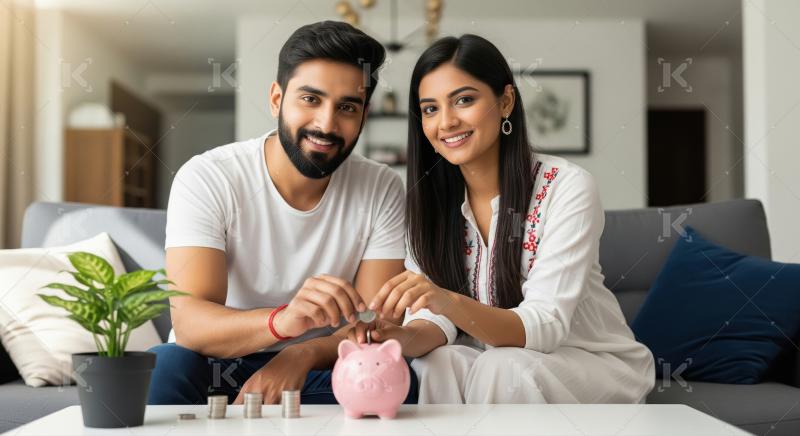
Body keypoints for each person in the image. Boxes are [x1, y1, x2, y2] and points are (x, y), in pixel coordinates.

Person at [348, 34, 655, 404]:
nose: (446, 122)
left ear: (505, 101)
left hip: (591, 364)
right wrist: (397, 338)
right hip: (500, 360)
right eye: (430, 109)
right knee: (439, 361)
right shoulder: (424, 204)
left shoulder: (567, 187)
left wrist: (446, 300)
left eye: (464, 100)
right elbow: (436, 322)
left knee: (502, 367)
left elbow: (546, 326)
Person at [147, 21, 418, 405]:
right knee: (162, 365)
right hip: (213, 365)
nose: (326, 124)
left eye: (346, 107)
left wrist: (299, 353)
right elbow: (191, 324)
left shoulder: (381, 187)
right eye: (310, 99)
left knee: (400, 382)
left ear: (364, 114)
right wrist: (283, 321)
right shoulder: (209, 176)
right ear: (276, 99)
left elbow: (373, 324)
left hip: (317, 366)